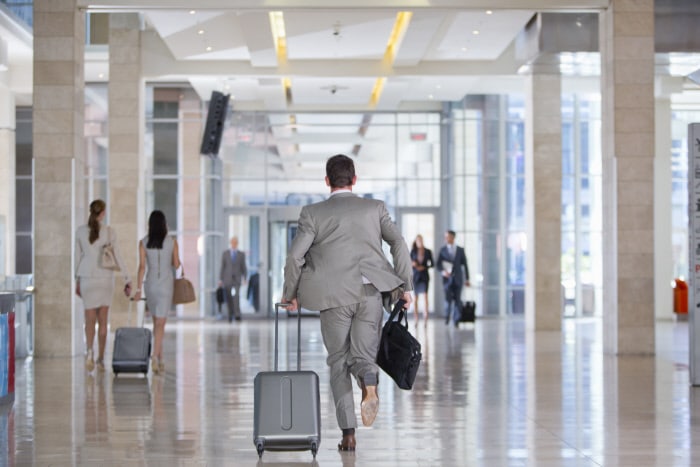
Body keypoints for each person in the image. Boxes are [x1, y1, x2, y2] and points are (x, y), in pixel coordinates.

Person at [282, 154, 413, 452]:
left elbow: (294, 257)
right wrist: (405, 285)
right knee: (364, 355)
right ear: (354, 180)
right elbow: (399, 243)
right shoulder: (375, 208)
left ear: (327, 181)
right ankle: (369, 378)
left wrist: (289, 293)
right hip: (370, 292)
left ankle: (348, 435)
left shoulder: (312, 213)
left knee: (338, 361)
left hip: (333, 297)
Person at [74, 199, 132, 372]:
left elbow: (77, 259)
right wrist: (127, 277)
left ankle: (89, 352)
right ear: (103, 213)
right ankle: (100, 359)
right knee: (103, 321)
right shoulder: (109, 232)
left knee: (89, 320)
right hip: (105, 278)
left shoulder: (80, 232)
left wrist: (76, 280)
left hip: (86, 278)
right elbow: (118, 256)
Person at [133, 210, 181, 375]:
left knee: (156, 323)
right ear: (164, 224)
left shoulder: (143, 242)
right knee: (161, 323)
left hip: (150, 284)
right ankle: (154, 357)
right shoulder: (172, 242)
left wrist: (138, 289)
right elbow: (176, 264)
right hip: (166, 285)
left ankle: (160, 360)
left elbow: (141, 268)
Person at [436, 230, 470, 327]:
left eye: (448, 237)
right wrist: (443, 272)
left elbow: (465, 265)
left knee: (458, 300)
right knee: (448, 300)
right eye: (445, 237)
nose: (446, 239)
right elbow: (438, 265)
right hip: (447, 280)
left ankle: (456, 320)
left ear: (453, 237)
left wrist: (467, 279)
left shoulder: (460, 250)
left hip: (458, 279)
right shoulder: (442, 250)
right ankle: (447, 317)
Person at [219, 236, 247, 322]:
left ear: (237, 243)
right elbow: (222, 267)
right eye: (232, 242)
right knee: (229, 298)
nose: (234, 244)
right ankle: (230, 314)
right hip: (227, 279)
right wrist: (220, 279)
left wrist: (245, 278)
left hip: (237, 279)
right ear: (230, 243)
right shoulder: (225, 254)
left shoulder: (241, 254)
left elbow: (243, 267)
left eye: (235, 242)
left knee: (236, 297)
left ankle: (237, 314)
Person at [410, 234, 433, 322]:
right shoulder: (413, 251)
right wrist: (413, 264)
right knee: (415, 297)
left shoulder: (428, 251)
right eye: (418, 240)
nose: (419, 241)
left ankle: (425, 316)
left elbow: (432, 264)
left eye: (421, 240)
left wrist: (424, 267)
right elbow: (408, 262)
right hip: (416, 277)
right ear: (416, 241)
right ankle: (416, 316)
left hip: (424, 276)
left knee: (425, 296)